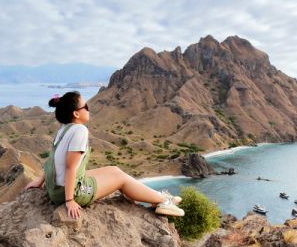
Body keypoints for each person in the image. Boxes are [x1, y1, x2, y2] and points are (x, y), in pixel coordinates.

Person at [24, 91, 184, 219]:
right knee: (121, 179)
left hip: (56, 187)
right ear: (76, 114)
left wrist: (40, 181)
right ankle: (163, 202)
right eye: (85, 106)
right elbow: (70, 167)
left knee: (114, 170)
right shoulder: (80, 130)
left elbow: (52, 160)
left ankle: (156, 196)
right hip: (70, 192)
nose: (88, 109)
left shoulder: (63, 129)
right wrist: (70, 200)